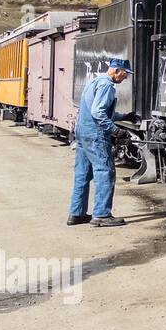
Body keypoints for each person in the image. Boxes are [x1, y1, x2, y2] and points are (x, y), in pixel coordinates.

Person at [67, 59, 131, 227]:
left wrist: (124, 117)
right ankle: (102, 214)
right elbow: (98, 112)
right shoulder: (107, 85)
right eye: (125, 74)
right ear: (117, 71)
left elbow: (94, 109)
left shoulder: (95, 81)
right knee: (105, 171)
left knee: (83, 174)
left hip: (82, 133)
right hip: (95, 134)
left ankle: (77, 213)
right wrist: (115, 130)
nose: (125, 78)